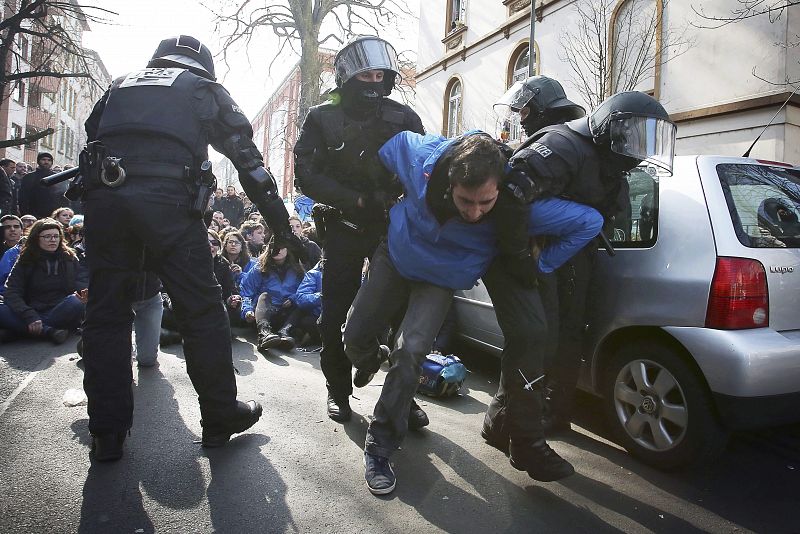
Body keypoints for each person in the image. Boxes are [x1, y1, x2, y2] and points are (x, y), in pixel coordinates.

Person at [343, 131, 603, 495]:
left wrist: (541, 265)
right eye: (466, 201)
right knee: (353, 337)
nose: (475, 212)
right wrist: (377, 195)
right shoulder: (421, 158)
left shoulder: (514, 208)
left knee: (411, 353)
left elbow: (588, 222)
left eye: (486, 202)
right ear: (449, 180)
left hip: (440, 280)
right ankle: (369, 358)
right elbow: (390, 145)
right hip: (396, 258)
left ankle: (380, 444)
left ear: (500, 189)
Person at [79, 35, 300, 461]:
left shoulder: (119, 85)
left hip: (107, 200)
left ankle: (106, 432)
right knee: (201, 311)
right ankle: (219, 415)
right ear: (203, 64)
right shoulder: (202, 89)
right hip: (171, 208)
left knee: (105, 314)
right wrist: (280, 226)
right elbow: (249, 163)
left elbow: (94, 137)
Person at [489, 90, 676, 435]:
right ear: (610, 128)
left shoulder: (609, 165)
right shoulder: (563, 145)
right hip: (536, 252)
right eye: (636, 135)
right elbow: (510, 200)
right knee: (537, 341)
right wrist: (520, 260)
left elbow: (612, 216)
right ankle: (504, 422)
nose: (640, 148)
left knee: (567, 338)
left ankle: (555, 414)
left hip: (575, 261)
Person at [293, 35, 426, 423]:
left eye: (380, 73)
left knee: (401, 312)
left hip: (392, 227)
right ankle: (338, 390)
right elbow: (305, 173)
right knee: (334, 310)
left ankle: (404, 396)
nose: (374, 80)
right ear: (349, 76)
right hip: (344, 225)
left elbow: (424, 163)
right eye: (366, 73)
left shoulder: (403, 117)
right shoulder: (322, 116)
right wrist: (353, 199)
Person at [0, 218, 87, 344]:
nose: (53, 240)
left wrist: (84, 294)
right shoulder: (25, 260)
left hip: (60, 309)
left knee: (75, 302)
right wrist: (29, 316)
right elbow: (11, 291)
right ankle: (48, 331)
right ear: (36, 238)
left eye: (56, 236)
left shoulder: (69, 258)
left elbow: (81, 282)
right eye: (47, 236)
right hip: (30, 310)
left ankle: (19, 331)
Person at [240, 239, 308, 351]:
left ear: (288, 250)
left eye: (281, 247)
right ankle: (264, 334)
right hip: (264, 313)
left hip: (287, 314)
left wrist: (293, 298)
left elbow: (305, 291)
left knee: (302, 304)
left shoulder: (297, 270)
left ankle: (285, 332)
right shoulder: (259, 268)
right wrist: (247, 310)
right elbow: (246, 292)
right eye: (273, 247)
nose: (277, 250)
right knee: (264, 296)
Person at [18, 152, 62, 219]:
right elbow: (23, 197)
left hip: (53, 214)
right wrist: (25, 213)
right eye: (43, 159)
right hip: (33, 213)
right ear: (39, 161)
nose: (46, 162)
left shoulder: (57, 177)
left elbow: (61, 196)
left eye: (49, 160)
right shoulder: (29, 177)